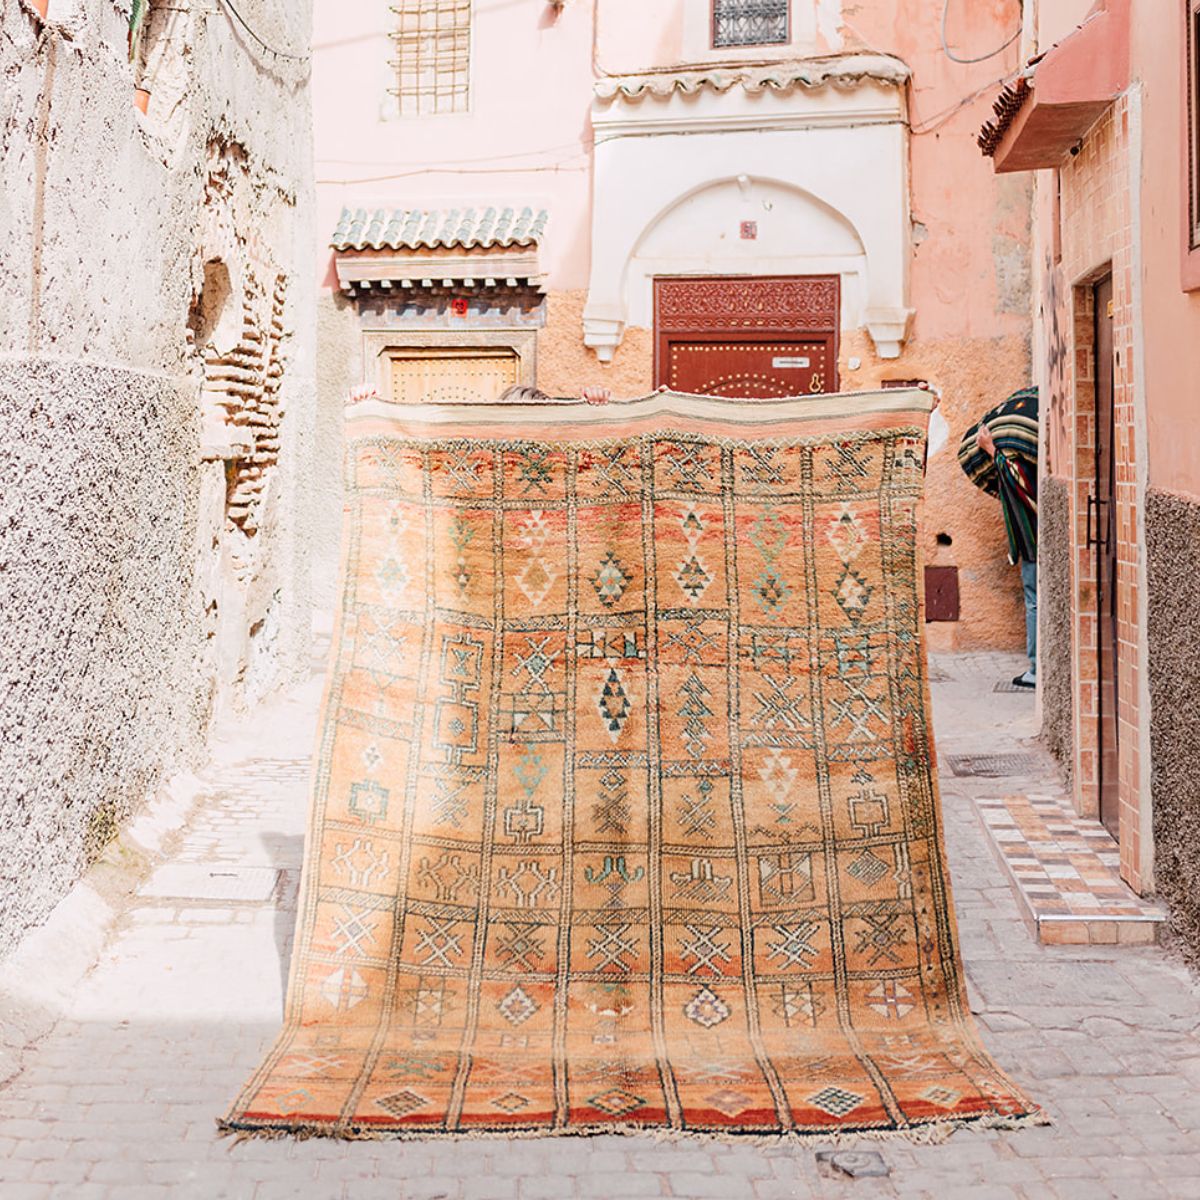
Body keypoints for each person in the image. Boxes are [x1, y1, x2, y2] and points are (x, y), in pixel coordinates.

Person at [974, 408, 1038, 690]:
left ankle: (1037, 669)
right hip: (1033, 541)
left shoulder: (1021, 465)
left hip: (1034, 540)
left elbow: (1017, 479)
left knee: (1034, 600)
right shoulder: (1032, 453)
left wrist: (990, 450)